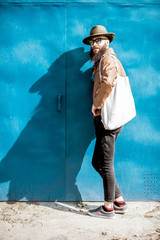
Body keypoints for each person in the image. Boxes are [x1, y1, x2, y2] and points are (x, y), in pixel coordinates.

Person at [83, 25, 129, 219]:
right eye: (92, 42)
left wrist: (96, 104)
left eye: (98, 40)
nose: (94, 45)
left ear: (107, 42)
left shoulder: (108, 59)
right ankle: (118, 200)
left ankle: (108, 207)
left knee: (106, 164)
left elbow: (109, 82)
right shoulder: (101, 60)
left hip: (107, 119)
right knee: (97, 162)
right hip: (105, 119)